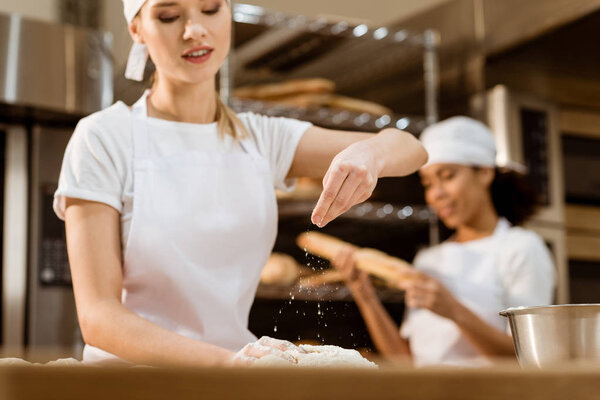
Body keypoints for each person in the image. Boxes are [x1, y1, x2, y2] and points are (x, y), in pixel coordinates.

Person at [53, 0, 427, 367]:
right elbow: (99, 317)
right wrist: (228, 363)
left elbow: (411, 148)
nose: (194, 29)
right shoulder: (104, 138)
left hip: (233, 376)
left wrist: (371, 154)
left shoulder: (262, 138)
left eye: (211, 9)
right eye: (169, 15)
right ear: (137, 29)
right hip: (131, 384)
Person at [332, 116, 556, 367]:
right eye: (428, 183)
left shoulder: (521, 249)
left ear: (484, 173)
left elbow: (531, 361)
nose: (436, 194)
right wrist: (365, 296)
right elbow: (406, 362)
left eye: (448, 176)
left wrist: (453, 310)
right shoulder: (429, 259)